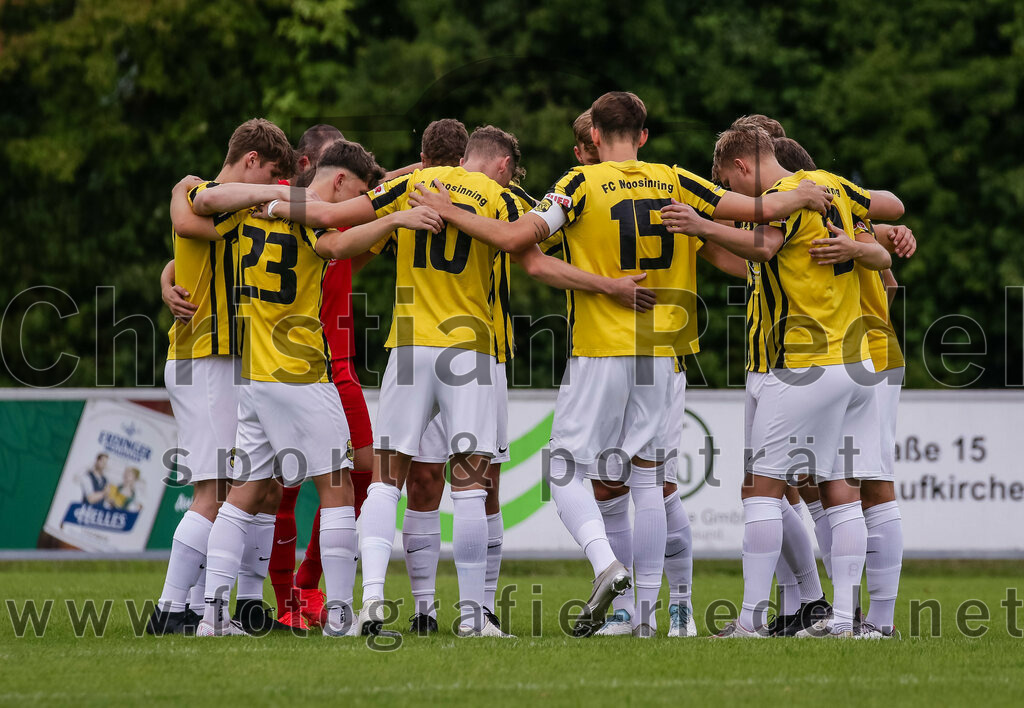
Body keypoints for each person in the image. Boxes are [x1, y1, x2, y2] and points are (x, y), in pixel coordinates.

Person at [409, 92, 835, 637]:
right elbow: (758, 212)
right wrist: (805, 189)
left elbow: (520, 239)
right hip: (665, 353)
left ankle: (607, 565)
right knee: (650, 481)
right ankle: (652, 616)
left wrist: (448, 209)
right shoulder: (676, 180)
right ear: (644, 134)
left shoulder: (578, 185)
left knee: (565, 469)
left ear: (593, 138)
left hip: (602, 347)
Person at [187, 139, 443, 637]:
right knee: (338, 487)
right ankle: (342, 617)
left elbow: (200, 201)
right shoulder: (309, 213)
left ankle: (212, 618)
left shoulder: (252, 206)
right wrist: (393, 219)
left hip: (256, 376)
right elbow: (336, 241)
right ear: (340, 180)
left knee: (244, 494)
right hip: (303, 372)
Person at [660, 125, 904, 638]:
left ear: (743, 167)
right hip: (852, 362)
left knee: (761, 490)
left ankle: (750, 619)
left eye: (728, 181)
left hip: (801, 362)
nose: (734, 194)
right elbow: (885, 219)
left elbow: (765, 245)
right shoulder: (833, 186)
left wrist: (699, 225)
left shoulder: (781, 198)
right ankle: (841, 617)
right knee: (840, 491)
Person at [146, 118, 293, 636]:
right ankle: (170, 609)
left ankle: (208, 608)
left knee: (240, 486)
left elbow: (187, 248)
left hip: (225, 357)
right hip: (204, 356)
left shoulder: (230, 206)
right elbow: (189, 222)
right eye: (269, 175)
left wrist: (167, 276)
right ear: (250, 161)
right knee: (213, 491)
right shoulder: (198, 190)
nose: (271, 189)